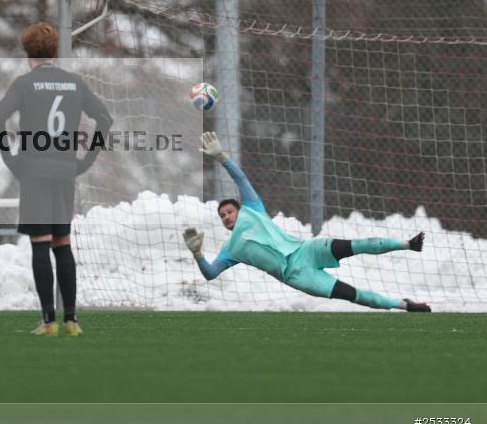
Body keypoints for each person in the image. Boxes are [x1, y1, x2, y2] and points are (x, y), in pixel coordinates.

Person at [185, 131, 431, 312]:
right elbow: (210, 274)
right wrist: (197, 253)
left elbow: (241, 180)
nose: (226, 216)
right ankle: (403, 304)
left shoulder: (253, 209)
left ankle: (408, 244)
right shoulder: (230, 250)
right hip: (297, 275)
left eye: (229, 211)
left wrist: (221, 157)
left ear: (239, 210)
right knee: (353, 295)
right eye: (222, 216)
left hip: (306, 250)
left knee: (357, 244)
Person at [0, 22, 113, 337]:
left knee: (39, 244)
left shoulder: (23, 84)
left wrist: (11, 159)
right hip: (64, 170)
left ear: (27, 53)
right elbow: (105, 118)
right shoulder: (74, 83)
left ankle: (48, 322)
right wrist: (85, 159)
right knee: (62, 244)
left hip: (33, 169)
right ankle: (71, 321)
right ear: (55, 51)